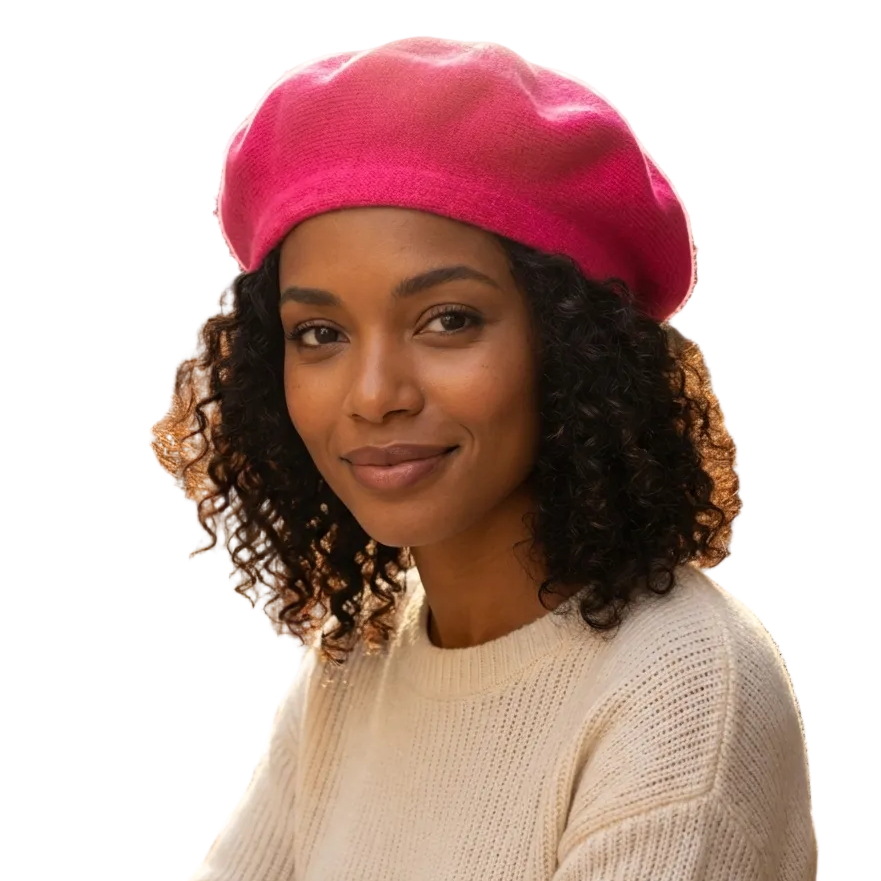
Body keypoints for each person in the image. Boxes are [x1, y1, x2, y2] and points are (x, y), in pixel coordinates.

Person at [152, 36, 817, 880]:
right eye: (318, 333)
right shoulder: (360, 665)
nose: (373, 392)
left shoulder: (682, 688)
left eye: (447, 320)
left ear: (573, 345)